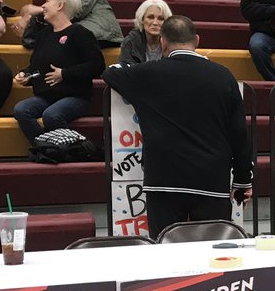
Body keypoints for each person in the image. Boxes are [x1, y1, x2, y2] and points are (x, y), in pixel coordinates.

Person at [103, 16, 253, 238]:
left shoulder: (147, 73)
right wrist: (243, 180)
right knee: (214, 248)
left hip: (164, 179)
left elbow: (111, 72)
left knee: (166, 248)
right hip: (211, 178)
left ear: (163, 42)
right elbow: (239, 133)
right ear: (197, 40)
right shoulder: (223, 75)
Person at [12, 0, 106, 143]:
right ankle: (45, 148)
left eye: (47, 1)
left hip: (75, 96)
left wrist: (64, 74)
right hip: (46, 97)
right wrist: (26, 75)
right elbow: (37, 66)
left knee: (52, 115)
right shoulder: (43, 35)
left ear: (60, 5)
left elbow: (97, 65)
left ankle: (68, 148)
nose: (43, 6)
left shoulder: (80, 33)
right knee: (21, 110)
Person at [117, 0, 173, 65]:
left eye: (161, 18)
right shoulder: (130, 42)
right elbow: (125, 68)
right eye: (150, 17)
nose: (155, 23)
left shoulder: (172, 42)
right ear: (142, 19)